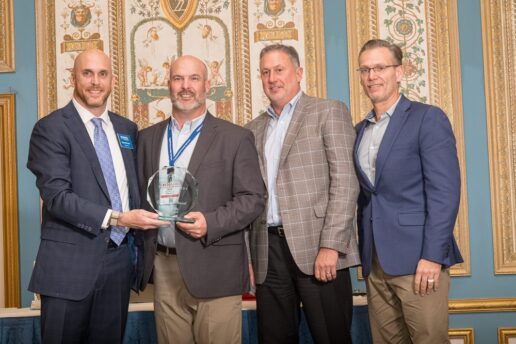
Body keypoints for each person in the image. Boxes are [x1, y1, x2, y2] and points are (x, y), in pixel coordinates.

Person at [27, 48, 168, 343]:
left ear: (112, 80)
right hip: (68, 267)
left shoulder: (127, 129)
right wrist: (118, 218)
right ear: (73, 78)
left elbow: (138, 187)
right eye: (87, 73)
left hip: (118, 264)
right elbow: (57, 196)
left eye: (102, 74)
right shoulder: (50, 129)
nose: (95, 82)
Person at [137, 55, 266, 344]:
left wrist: (211, 222)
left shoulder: (235, 137)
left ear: (207, 85)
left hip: (215, 264)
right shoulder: (147, 138)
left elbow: (253, 198)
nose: (185, 86)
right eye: (178, 78)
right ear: (168, 85)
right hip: (164, 266)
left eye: (194, 78)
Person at [245, 44, 360, 344]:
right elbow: (249, 196)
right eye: (265, 72)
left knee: (331, 336)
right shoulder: (253, 129)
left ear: (298, 73)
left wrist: (331, 246)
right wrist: (249, 256)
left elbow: (345, 182)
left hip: (318, 249)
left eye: (279, 70)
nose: (272, 78)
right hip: (267, 253)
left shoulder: (327, 111)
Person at [354, 39, 463, 343]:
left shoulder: (427, 118)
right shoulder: (358, 131)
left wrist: (432, 255)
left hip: (419, 261)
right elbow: (366, 198)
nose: (372, 76)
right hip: (375, 264)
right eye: (365, 69)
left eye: (380, 67)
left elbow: (445, 193)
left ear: (399, 72)